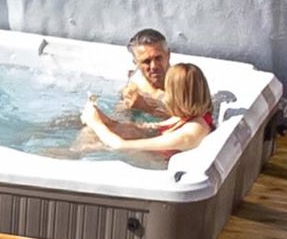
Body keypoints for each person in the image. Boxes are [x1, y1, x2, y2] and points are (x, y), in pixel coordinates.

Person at [83, 63, 217, 159]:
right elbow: (147, 128)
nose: (165, 94)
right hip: (148, 148)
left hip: (156, 167)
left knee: (86, 145)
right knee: (90, 133)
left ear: (178, 95)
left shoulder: (190, 133)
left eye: (168, 89)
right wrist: (105, 120)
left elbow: (120, 146)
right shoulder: (189, 117)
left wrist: (96, 124)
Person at [119, 28, 173, 117]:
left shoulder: (184, 84)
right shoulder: (135, 89)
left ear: (168, 55)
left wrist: (147, 108)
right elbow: (117, 116)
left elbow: (194, 122)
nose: (154, 66)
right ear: (136, 63)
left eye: (158, 58)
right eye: (146, 61)